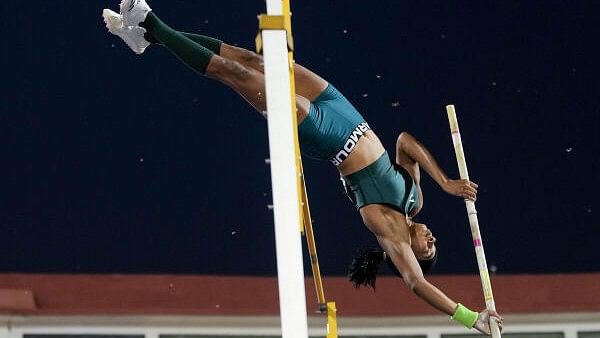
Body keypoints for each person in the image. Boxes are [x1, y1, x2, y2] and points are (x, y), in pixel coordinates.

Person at [102, 0, 503, 334]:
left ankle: (150, 21)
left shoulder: (388, 230)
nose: (431, 238)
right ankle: (146, 37)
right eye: (435, 241)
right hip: (343, 107)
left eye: (428, 248)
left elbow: (417, 284)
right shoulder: (414, 198)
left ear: (413, 252)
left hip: (326, 134)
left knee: (235, 74)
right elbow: (405, 142)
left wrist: (471, 319)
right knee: (253, 59)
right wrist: (447, 182)